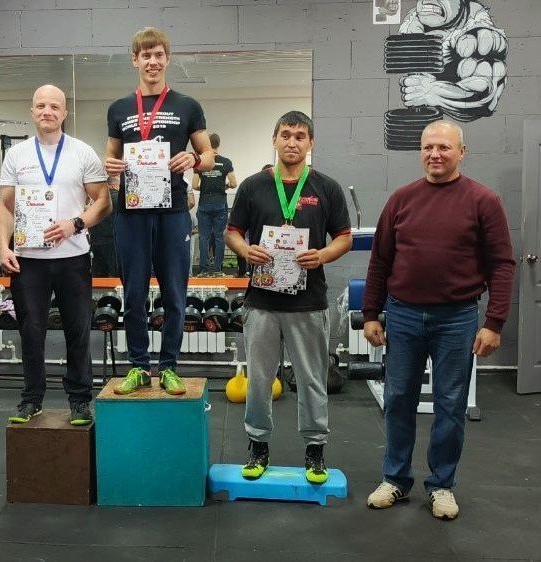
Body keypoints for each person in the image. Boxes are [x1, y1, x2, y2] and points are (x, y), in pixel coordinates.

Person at [362, 120, 515, 520]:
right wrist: (371, 314)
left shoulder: (484, 201)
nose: (435, 154)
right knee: (398, 399)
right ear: (421, 151)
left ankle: (441, 484)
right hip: (403, 315)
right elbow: (380, 261)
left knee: (450, 404)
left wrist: (494, 322)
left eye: (444, 147)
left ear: (461, 152)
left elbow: (502, 264)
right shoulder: (401, 200)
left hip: (457, 319)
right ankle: (395, 479)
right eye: (428, 147)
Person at [225, 111, 352, 484]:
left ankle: (315, 450)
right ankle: (258, 446)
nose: (292, 142)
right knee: (259, 382)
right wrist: (245, 250)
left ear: (310, 143)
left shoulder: (326, 188)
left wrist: (323, 255)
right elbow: (232, 232)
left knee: (311, 381)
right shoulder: (253, 186)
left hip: (308, 304)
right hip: (261, 303)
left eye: (300, 136)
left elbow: (344, 237)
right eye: (285, 135)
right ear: (274, 139)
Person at [104, 27, 214, 396]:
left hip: (173, 211)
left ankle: (168, 367)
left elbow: (208, 156)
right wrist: (110, 166)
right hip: (132, 211)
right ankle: (138, 367)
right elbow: (111, 156)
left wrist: (194, 159)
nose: (152, 61)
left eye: (158, 55)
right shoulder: (119, 108)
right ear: (135, 60)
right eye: (145, 55)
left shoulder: (187, 106)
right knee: (133, 294)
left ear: (167, 59)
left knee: (174, 294)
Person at [0, 84, 111, 425]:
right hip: (28, 260)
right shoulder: (16, 155)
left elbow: (103, 202)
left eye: (54, 106)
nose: (47, 111)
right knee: (31, 331)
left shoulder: (82, 152)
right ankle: (31, 399)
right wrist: (3, 247)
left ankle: (80, 400)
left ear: (64, 113)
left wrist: (75, 224)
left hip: (73, 257)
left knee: (78, 330)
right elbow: (5, 207)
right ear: (32, 111)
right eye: (41, 105)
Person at [193, 132, 237, 277]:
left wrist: (205, 187)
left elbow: (194, 185)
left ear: (208, 143)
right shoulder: (226, 162)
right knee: (219, 237)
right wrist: (224, 186)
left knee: (203, 237)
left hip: (204, 204)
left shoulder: (200, 162)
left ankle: (204, 270)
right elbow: (233, 183)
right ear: (218, 144)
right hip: (220, 204)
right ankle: (218, 270)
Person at [89, 179, 120, 277]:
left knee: (98, 275)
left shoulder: (96, 201)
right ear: (112, 186)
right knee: (115, 276)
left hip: (96, 242)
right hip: (113, 243)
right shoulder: (119, 199)